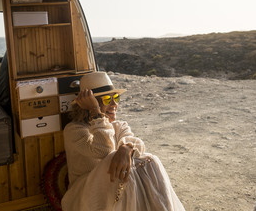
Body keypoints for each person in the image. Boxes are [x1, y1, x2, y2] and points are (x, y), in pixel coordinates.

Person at [62, 71, 185, 211]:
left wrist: (126, 148)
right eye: (107, 99)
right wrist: (96, 112)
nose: (114, 103)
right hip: (84, 193)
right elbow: (104, 150)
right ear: (89, 105)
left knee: (149, 161)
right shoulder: (74, 130)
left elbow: (138, 145)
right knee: (122, 166)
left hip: (116, 185)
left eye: (116, 97)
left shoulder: (119, 126)